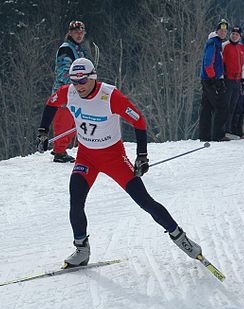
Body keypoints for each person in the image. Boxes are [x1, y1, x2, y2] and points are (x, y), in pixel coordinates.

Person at [36, 58, 202, 267]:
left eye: (83, 81)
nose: (78, 86)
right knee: (75, 200)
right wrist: (42, 132)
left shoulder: (109, 95)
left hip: (114, 158)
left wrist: (142, 156)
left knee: (144, 201)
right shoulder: (69, 92)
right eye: (74, 81)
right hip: (86, 157)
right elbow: (51, 102)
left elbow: (139, 120)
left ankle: (180, 237)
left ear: (92, 77)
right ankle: (81, 249)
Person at [51, 20, 90, 163]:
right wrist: (77, 84)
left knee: (74, 121)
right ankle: (59, 151)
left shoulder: (78, 49)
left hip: (76, 91)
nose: (79, 35)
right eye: (76, 32)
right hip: (65, 92)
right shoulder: (66, 49)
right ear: (70, 33)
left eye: (81, 32)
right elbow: (62, 72)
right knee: (64, 121)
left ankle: (62, 148)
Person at [199, 19, 229, 142]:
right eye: (221, 30)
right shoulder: (213, 43)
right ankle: (218, 135)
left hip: (208, 79)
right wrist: (213, 79)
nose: (223, 33)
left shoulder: (217, 43)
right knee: (221, 106)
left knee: (207, 107)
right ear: (216, 31)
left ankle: (204, 135)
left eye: (225, 31)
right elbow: (208, 63)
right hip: (211, 80)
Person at [222, 25, 244, 139]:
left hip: (237, 80)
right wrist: (221, 78)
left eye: (237, 34)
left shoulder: (241, 47)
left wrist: (242, 79)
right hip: (228, 80)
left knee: (234, 105)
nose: (234, 36)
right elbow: (221, 63)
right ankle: (223, 130)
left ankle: (229, 130)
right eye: (233, 34)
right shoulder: (225, 46)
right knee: (226, 105)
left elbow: (242, 65)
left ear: (240, 36)